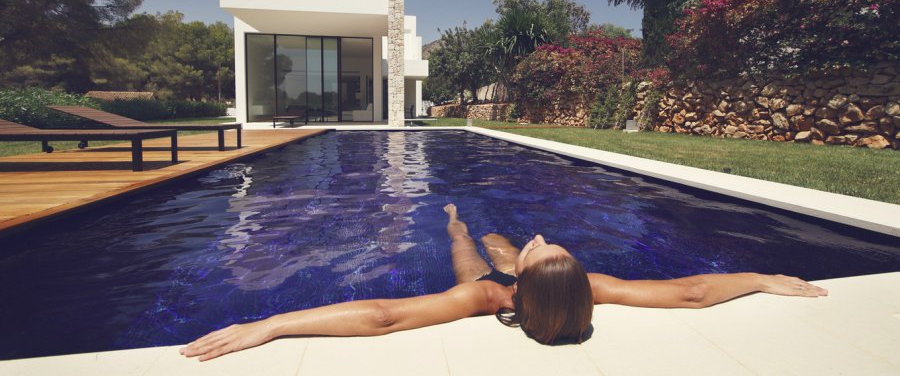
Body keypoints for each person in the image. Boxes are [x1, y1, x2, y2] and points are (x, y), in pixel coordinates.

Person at [181, 204, 828, 361]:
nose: (544, 239)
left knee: (467, 245)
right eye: (550, 246)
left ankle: (455, 220)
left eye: (543, 248)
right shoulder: (589, 287)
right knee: (504, 240)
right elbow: (693, 293)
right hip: (528, 281)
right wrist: (761, 277)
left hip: (487, 280)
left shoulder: (485, 294)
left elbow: (384, 315)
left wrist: (270, 323)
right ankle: (477, 226)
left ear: (526, 279)